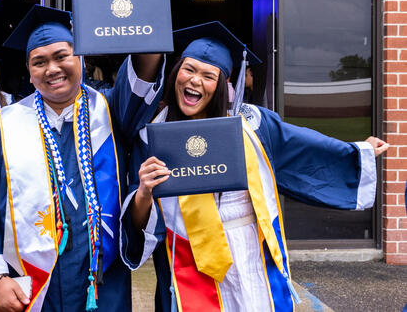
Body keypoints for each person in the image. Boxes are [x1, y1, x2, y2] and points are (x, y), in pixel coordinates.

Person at [119, 21, 389, 312]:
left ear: (224, 84)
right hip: (189, 261)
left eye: (208, 75)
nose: (195, 80)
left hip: (251, 253)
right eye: (189, 69)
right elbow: (138, 216)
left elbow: (304, 148)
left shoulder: (253, 125)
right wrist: (144, 193)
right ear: (175, 73)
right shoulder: (154, 137)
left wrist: (356, 151)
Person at [0, 1, 164, 311]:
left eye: (61, 56)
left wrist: (137, 3)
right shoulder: (7, 123)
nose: (51, 69)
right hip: (33, 279)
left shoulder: (109, 110)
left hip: (100, 276)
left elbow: (144, 72)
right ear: (29, 72)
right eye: (39, 62)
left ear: (80, 57)